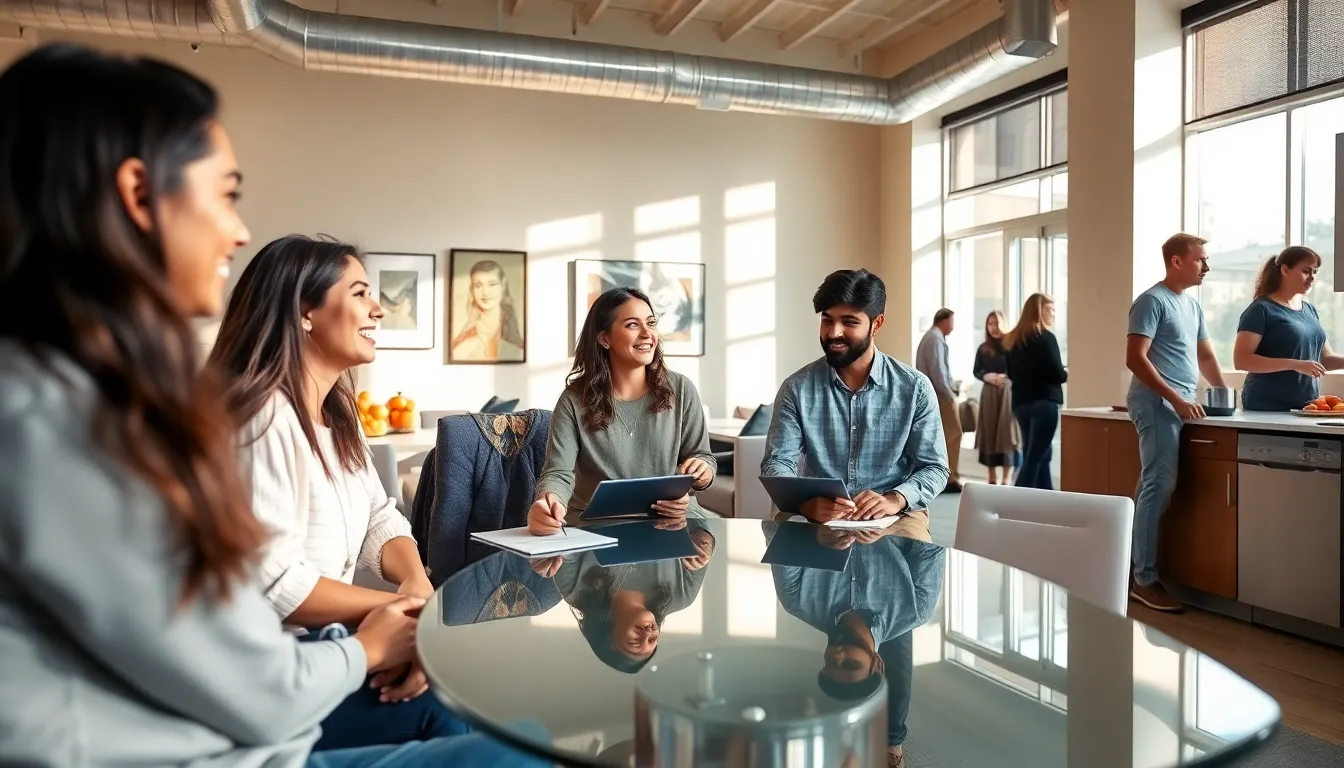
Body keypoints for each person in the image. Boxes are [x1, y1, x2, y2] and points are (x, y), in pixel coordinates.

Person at [0, 43, 544, 767]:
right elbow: (262, 660)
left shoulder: (97, 404)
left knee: (515, 731)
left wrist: (407, 598)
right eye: (226, 194)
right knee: (520, 746)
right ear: (138, 196)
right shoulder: (73, 426)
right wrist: (377, 638)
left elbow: (379, 517)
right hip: (266, 723)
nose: (240, 229)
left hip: (280, 700)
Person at [209, 234, 469, 750]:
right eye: (359, 293)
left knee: (460, 689)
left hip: (332, 647)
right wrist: (397, 618)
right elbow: (275, 583)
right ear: (304, 311)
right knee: (454, 701)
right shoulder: (259, 420)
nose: (377, 309)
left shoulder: (337, 417)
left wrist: (415, 585)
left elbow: (382, 516)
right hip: (273, 676)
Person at [763, 270, 950, 523]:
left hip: (895, 514)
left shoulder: (915, 388)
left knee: (913, 559)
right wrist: (805, 503)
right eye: (827, 320)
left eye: (849, 322)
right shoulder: (796, 388)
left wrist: (895, 499)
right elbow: (777, 462)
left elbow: (935, 467)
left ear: (877, 324)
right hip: (816, 515)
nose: (833, 332)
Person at [765, 509, 945, 768]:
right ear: (877, 665)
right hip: (891, 505)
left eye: (830, 664)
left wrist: (814, 531)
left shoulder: (796, 600)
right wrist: (885, 526)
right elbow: (929, 547)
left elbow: (777, 529)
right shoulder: (915, 608)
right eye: (849, 664)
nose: (837, 655)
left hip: (825, 505)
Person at [528, 287, 716, 533]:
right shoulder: (573, 400)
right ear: (604, 338)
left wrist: (703, 472)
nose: (648, 334)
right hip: (598, 529)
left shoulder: (681, 389)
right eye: (632, 325)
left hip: (671, 526)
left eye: (651, 323)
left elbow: (703, 456)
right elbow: (558, 472)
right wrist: (547, 502)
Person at [1125, 233, 1228, 613]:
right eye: (1201, 259)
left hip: (1178, 404)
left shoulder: (1191, 306)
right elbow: (1135, 358)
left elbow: (1204, 356)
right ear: (1176, 261)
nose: (1207, 266)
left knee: (1152, 486)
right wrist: (1176, 399)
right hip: (1156, 404)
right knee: (1159, 484)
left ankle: (1131, 570)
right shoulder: (1152, 301)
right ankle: (1144, 580)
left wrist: (1227, 396)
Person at [528, 525, 715, 672]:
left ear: (609, 637)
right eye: (652, 641)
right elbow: (702, 527)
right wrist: (704, 541)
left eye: (634, 642)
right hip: (663, 494)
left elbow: (566, 539)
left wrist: (555, 550)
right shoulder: (682, 595)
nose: (648, 634)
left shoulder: (576, 592)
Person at [1235, 245, 1344, 410]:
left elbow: (1323, 359)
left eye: (1315, 272)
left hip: (1306, 406)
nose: (1312, 278)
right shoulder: (1261, 309)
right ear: (1285, 270)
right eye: (1306, 271)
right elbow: (1242, 360)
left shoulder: (1310, 310)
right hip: (1267, 406)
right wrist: (1296, 364)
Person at [1003, 294, 1067, 490]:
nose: (1053, 314)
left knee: (1042, 455)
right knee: (1034, 457)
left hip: (1022, 404)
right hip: (1044, 403)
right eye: (1050, 310)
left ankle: (1048, 499)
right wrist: (1065, 373)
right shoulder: (1046, 338)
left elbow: (1012, 374)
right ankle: (1016, 503)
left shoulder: (1013, 340)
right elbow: (1057, 373)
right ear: (1039, 311)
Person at [915, 308, 962, 493]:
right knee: (953, 434)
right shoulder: (935, 339)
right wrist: (950, 394)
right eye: (951, 321)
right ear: (943, 321)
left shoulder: (932, 337)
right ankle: (949, 478)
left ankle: (946, 476)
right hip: (941, 395)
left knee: (944, 436)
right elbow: (938, 372)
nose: (953, 326)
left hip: (937, 393)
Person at [972, 310, 1019, 484]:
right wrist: (987, 376)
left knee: (1007, 433)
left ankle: (1006, 479)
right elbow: (976, 371)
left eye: (996, 323)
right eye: (990, 324)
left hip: (1008, 393)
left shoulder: (1013, 346)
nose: (994, 327)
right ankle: (991, 477)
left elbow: (1019, 369)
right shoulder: (983, 348)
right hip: (990, 394)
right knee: (990, 432)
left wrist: (1007, 378)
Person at [451, 260, 525, 362]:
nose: (485, 293)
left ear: (503, 286)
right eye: (478, 286)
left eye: (492, 284)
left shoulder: (514, 338)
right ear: (472, 290)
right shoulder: (465, 341)